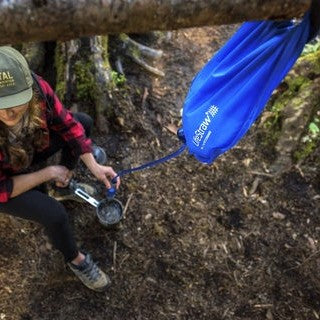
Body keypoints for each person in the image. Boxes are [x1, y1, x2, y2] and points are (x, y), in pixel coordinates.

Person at [0, 46, 120, 292]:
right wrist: (48, 172)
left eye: (16, 102)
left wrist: (94, 166)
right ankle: (76, 260)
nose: (8, 112)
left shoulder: (39, 89)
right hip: (5, 181)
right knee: (54, 215)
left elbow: (68, 124)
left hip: (28, 151)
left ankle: (60, 187)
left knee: (83, 123)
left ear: (28, 89)